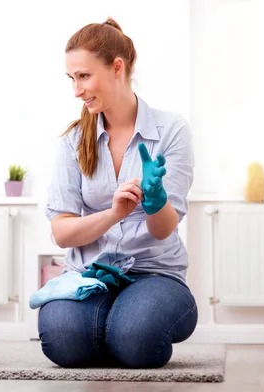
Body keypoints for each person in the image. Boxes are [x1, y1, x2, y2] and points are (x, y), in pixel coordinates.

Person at [40, 18, 197, 369]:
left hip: (154, 273)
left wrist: (156, 200)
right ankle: (111, 325)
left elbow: (161, 230)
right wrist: (114, 214)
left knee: (136, 340)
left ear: (116, 68)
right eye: (72, 79)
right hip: (88, 275)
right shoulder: (72, 141)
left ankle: (121, 326)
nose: (77, 90)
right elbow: (62, 233)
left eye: (84, 76)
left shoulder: (170, 130)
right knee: (62, 342)